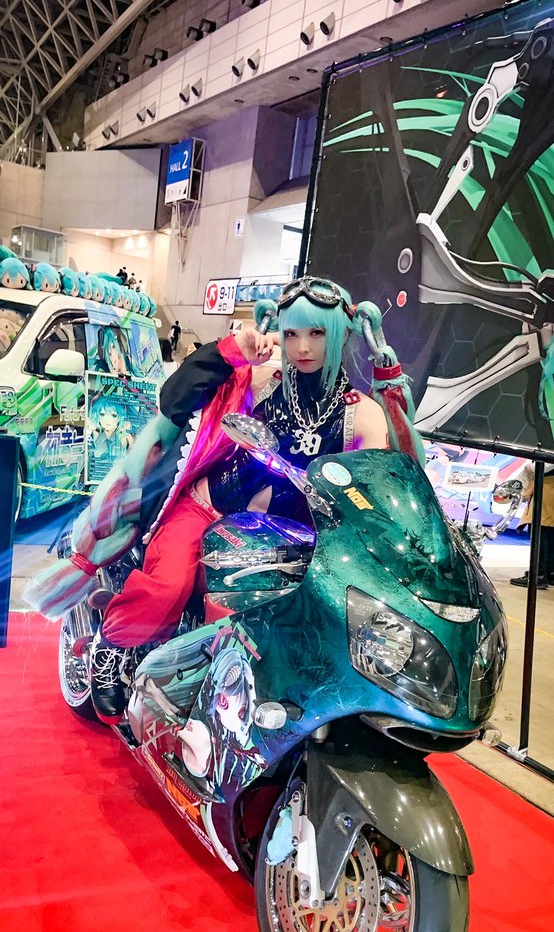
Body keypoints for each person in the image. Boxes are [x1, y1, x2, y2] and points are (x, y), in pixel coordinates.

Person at [86, 276, 420, 722]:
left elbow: (382, 483)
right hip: (208, 509)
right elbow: (175, 398)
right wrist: (230, 350)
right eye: (292, 334)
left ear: (340, 333)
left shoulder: (362, 412)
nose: (303, 347)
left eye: (317, 333)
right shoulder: (261, 380)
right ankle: (110, 644)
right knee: (167, 588)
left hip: (291, 542)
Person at [510, 462, 554, 589]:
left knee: (540, 530)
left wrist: (532, 466)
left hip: (548, 486)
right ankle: (549, 573)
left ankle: (538, 574)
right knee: (549, 531)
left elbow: (548, 463)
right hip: (549, 486)